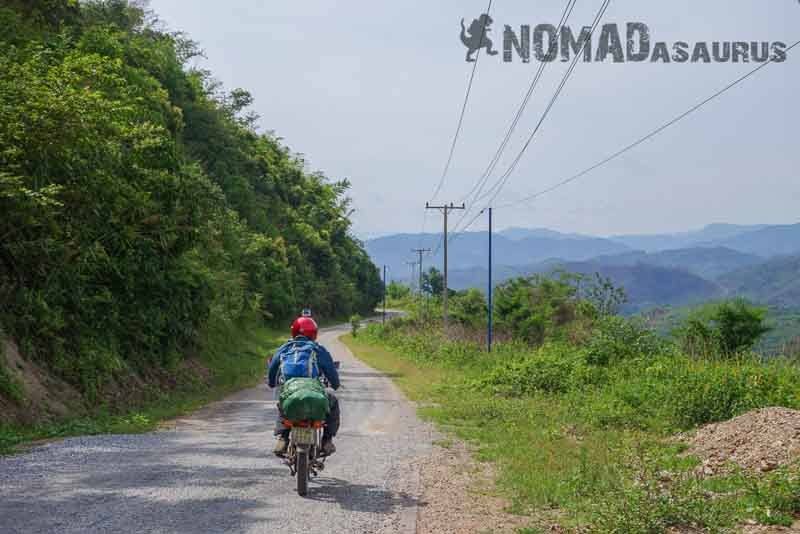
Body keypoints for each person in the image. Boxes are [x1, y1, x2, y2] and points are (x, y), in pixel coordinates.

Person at [267, 315, 340, 457]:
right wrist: (335, 384)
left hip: (290, 391)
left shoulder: (284, 348)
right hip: (312, 391)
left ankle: (283, 438)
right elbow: (330, 370)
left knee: (282, 404)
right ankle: (327, 440)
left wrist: (271, 383)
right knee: (333, 402)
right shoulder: (317, 349)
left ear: (293, 331)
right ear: (314, 333)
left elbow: (272, 370)